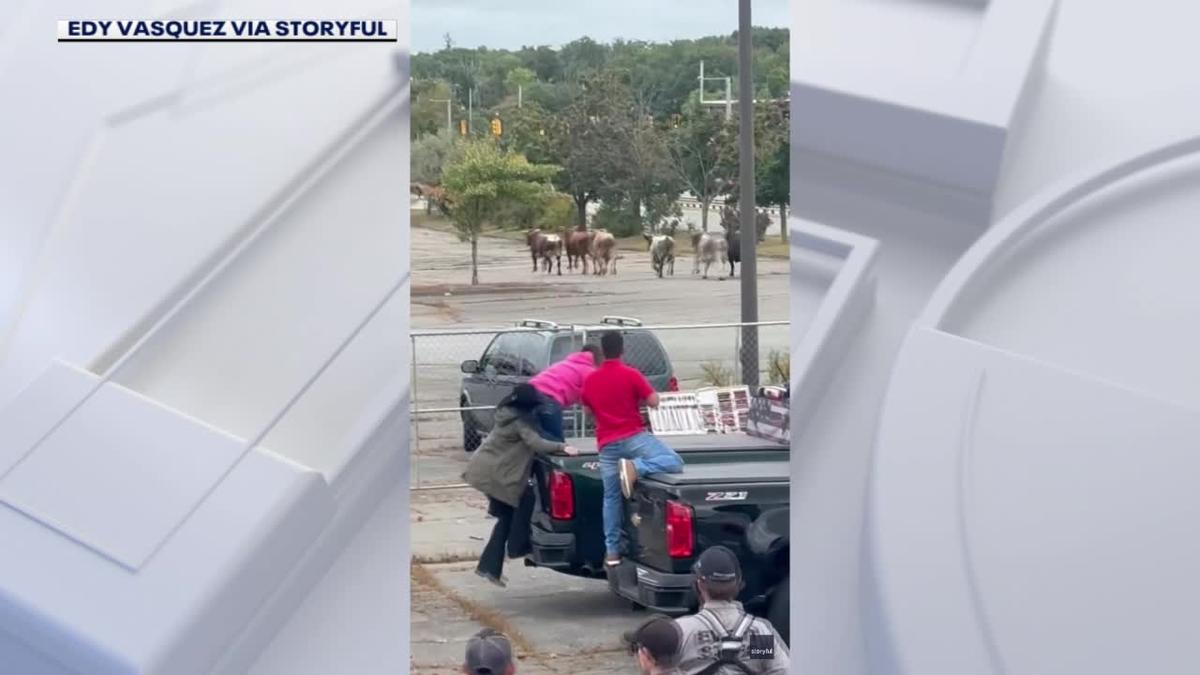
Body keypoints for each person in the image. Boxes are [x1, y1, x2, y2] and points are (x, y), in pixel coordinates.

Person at [580, 331, 684, 567]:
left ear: (602, 352)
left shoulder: (591, 380)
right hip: (633, 437)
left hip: (606, 444)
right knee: (673, 461)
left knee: (611, 498)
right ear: (622, 350)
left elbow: (587, 412)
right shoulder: (631, 374)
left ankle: (612, 552)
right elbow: (653, 401)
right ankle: (636, 467)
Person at [463, 383, 578, 587]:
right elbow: (536, 443)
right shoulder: (519, 422)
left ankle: (491, 567)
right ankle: (516, 547)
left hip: (486, 471)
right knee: (525, 501)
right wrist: (563, 446)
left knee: (506, 518)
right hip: (496, 475)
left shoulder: (507, 413)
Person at [675, 547, 790, 675]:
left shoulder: (681, 631)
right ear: (739, 585)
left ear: (699, 585)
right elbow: (782, 671)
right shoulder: (758, 633)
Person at [528, 344, 601, 442]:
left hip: (528, 394)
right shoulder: (589, 371)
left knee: (538, 439)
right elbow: (590, 403)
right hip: (548, 398)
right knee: (555, 443)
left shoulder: (566, 364)